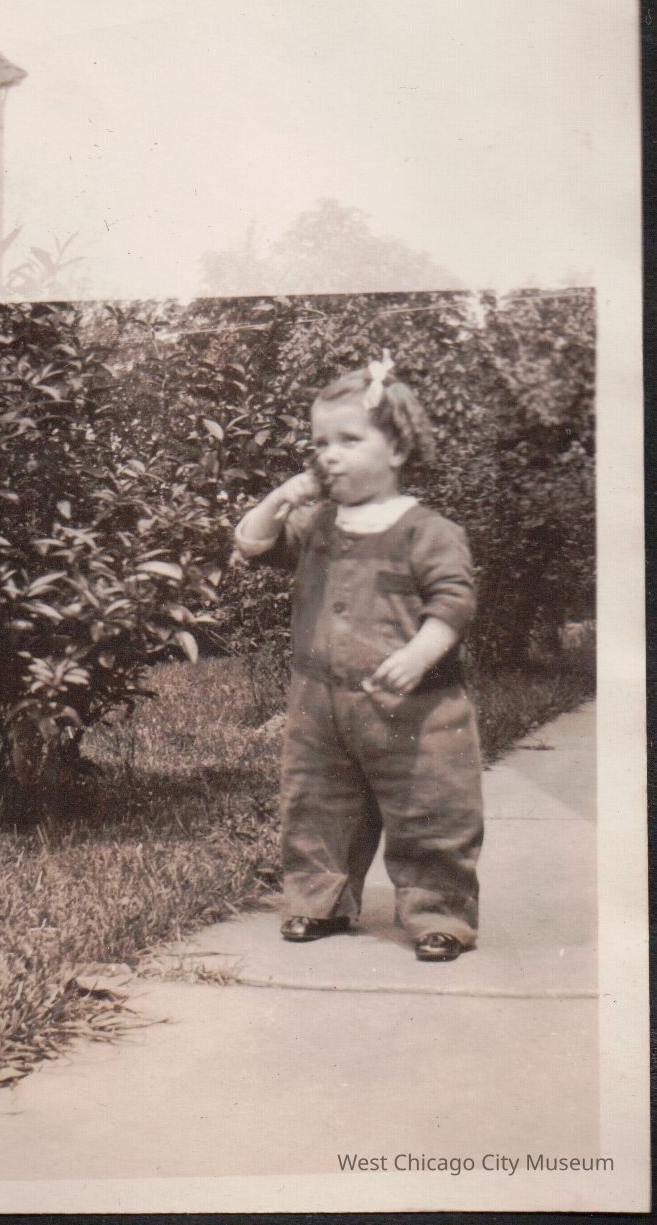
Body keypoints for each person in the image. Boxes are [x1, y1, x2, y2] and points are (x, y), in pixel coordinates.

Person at [233, 354, 483, 962]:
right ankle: (319, 901)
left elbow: (454, 602)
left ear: (395, 448)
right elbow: (251, 543)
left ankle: (439, 913)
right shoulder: (316, 523)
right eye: (320, 443)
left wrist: (420, 653)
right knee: (317, 804)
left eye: (349, 440)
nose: (330, 456)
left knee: (430, 807)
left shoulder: (427, 529)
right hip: (320, 704)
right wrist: (279, 497)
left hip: (415, 707)